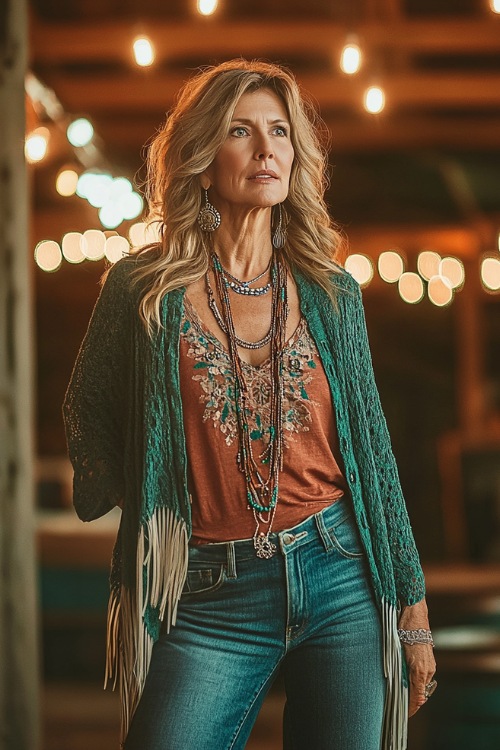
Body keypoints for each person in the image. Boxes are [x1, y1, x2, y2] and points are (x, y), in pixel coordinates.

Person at [63, 59, 436, 750]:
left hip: (340, 574)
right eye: (242, 131)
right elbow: (86, 411)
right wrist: (153, 502)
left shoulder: (331, 294)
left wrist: (412, 616)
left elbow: (376, 458)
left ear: (296, 155)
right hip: (210, 594)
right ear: (204, 163)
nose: (266, 148)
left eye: (279, 132)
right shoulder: (145, 292)